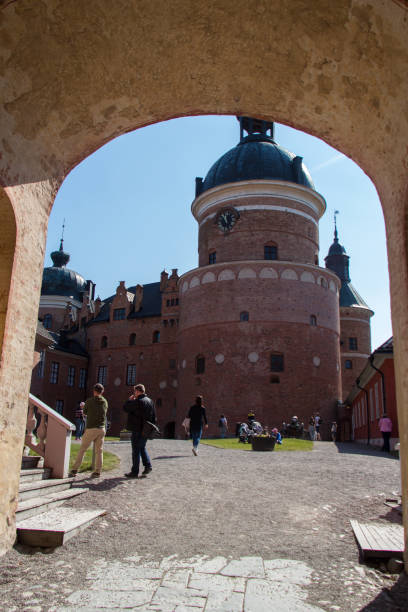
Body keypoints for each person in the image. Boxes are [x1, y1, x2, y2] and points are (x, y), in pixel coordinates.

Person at [69, 383, 108, 478]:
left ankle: (74, 469)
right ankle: (97, 471)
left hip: (91, 428)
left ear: (94, 391)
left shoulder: (90, 401)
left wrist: (84, 407)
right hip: (102, 429)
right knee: (99, 451)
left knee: (83, 449)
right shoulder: (105, 402)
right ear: (102, 391)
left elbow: (85, 412)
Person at [123, 383, 156, 478]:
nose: (134, 393)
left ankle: (135, 472)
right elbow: (154, 416)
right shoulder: (150, 401)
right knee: (141, 447)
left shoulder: (138, 401)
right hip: (146, 429)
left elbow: (126, 408)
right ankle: (148, 466)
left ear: (137, 391)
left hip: (137, 429)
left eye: (135, 391)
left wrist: (129, 400)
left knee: (136, 450)